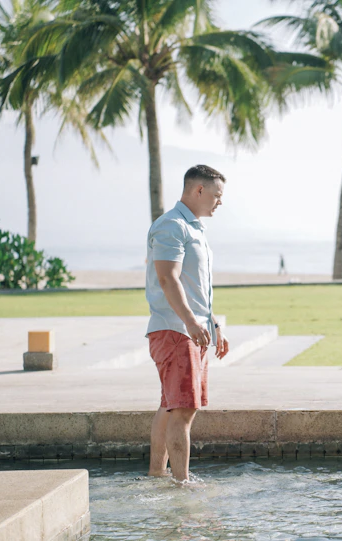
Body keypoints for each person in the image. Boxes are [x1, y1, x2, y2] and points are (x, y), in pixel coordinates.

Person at [145, 165, 230, 482]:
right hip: (176, 330)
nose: (219, 202)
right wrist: (192, 323)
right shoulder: (172, 226)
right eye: (217, 195)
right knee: (183, 410)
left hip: (188, 329)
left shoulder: (194, 229)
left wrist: (213, 324)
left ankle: (157, 476)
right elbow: (168, 279)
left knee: (171, 405)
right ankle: (181, 485)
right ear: (198, 190)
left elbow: (195, 287)